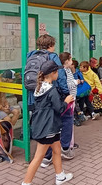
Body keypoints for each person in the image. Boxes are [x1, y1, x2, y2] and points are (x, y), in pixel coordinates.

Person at [22, 60, 74, 185]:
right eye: (57, 71)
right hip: (49, 127)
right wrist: (67, 101)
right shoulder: (52, 90)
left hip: (46, 125)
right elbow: (60, 108)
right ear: (52, 73)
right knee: (38, 157)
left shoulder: (39, 87)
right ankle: (26, 182)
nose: (58, 74)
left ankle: (60, 176)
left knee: (56, 150)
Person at [27, 35, 72, 168]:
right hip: (52, 95)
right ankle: (63, 149)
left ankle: (49, 157)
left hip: (34, 95)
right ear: (51, 45)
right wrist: (66, 95)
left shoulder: (30, 55)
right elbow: (61, 77)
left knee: (42, 122)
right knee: (64, 119)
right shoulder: (52, 57)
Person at [59, 52, 80, 149]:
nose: (72, 62)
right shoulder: (63, 71)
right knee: (68, 122)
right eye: (70, 60)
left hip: (72, 98)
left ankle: (70, 142)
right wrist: (76, 82)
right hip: (69, 99)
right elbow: (67, 85)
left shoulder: (68, 70)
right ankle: (68, 144)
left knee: (69, 122)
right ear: (66, 61)